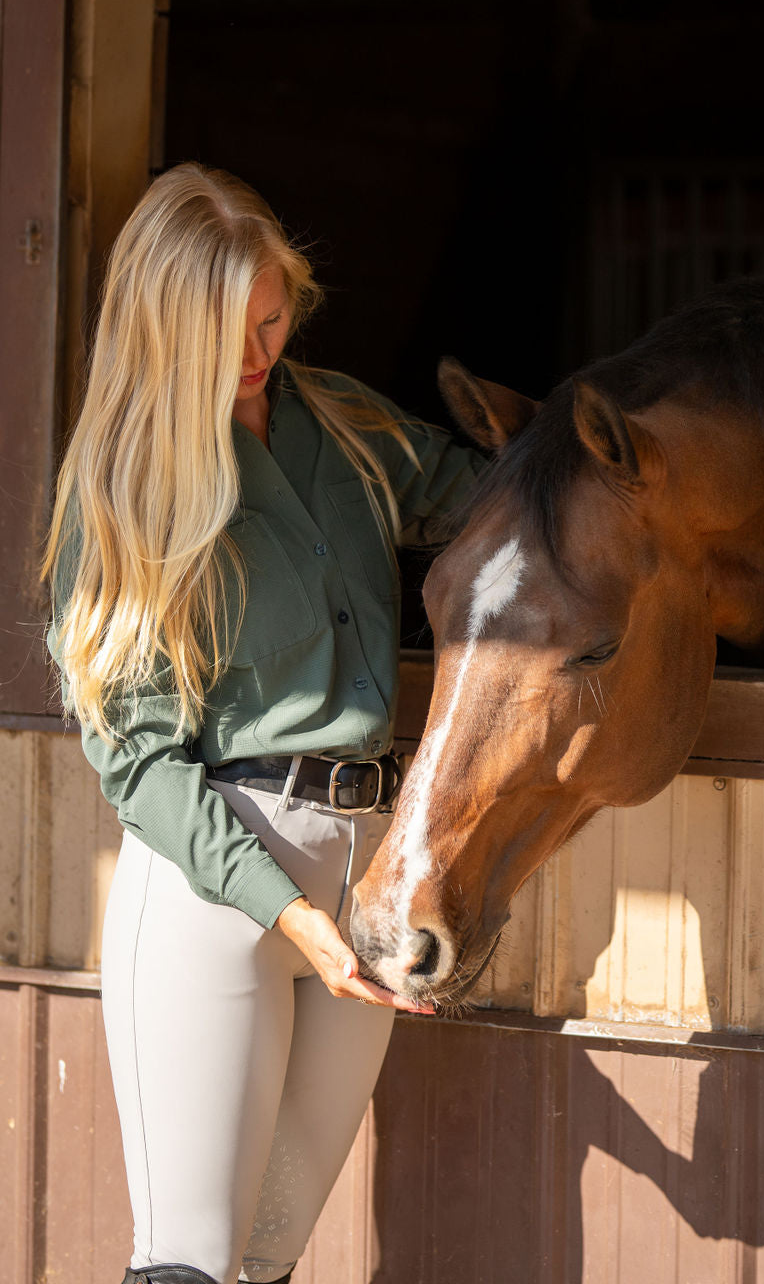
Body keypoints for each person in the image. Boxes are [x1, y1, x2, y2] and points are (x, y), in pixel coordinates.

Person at [42, 164, 483, 1284]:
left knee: (271, 1258)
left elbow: (491, 499)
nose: (254, 354)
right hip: (217, 890)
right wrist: (289, 912)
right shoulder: (131, 489)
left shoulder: (344, 421)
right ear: (160, 323)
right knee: (189, 1265)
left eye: (272, 318)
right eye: (221, 331)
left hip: (364, 868)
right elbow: (136, 764)